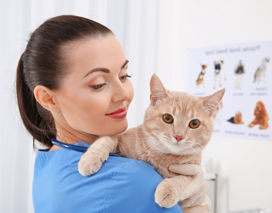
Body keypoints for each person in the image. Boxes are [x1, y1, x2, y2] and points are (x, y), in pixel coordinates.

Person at [16, 15, 210, 212]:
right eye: (99, 84)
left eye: (124, 75)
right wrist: (199, 206)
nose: (123, 94)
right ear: (48, 99)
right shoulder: (135, 180)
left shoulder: (48, 161)